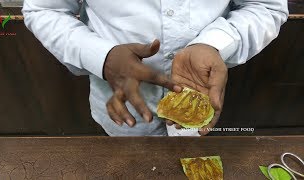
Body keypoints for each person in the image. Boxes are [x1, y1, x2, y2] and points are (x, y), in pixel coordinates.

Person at [22, 0, 288, 136]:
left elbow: (265, 6)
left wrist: (214, 44)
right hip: (121, 110)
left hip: (202, 98)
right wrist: (101, 57)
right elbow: (44, 10)